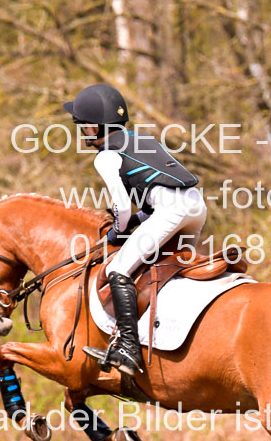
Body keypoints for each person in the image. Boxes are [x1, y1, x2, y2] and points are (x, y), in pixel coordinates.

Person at [63, 84, 205, 376]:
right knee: (167, 267)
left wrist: (118, 230)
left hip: (172, 211)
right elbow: (155, 196)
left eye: (83, 126)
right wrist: (139, 220)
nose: (83, 131)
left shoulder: (105, 156)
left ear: (94, 127)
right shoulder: (141, 140)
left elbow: (123, 208)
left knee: (119, 270)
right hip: (196, 207)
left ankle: (128, 346)